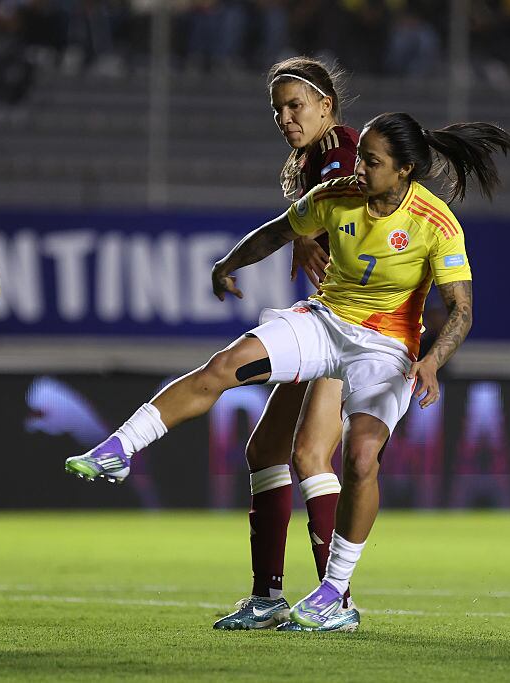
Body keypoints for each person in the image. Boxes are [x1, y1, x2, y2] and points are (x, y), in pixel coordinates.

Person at [66, 112, 510, 631]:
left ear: (404, 170)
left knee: (362, 457)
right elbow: (278, 232)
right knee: (223, 367)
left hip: (386, 347)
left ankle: (334, 593)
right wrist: (227, 264)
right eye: (359, 157)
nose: (359, 168)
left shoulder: (435, 223)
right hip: (324, 323)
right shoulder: (336, 194)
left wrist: (432, 361)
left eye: (372, 162)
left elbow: (461, 310)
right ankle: (119, 449)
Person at [212, 56, 364, 632]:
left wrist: (308, 233)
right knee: (266, 452)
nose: (284, 116)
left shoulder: (342, 148)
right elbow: (306, 219)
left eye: (294, 104)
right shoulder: (312, 163)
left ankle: (335, 603)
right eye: (277, 108)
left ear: (326, 104)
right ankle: (270, 598)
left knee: (306, 453)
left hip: (349, 324)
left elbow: (348, 204)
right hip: (329, 320)